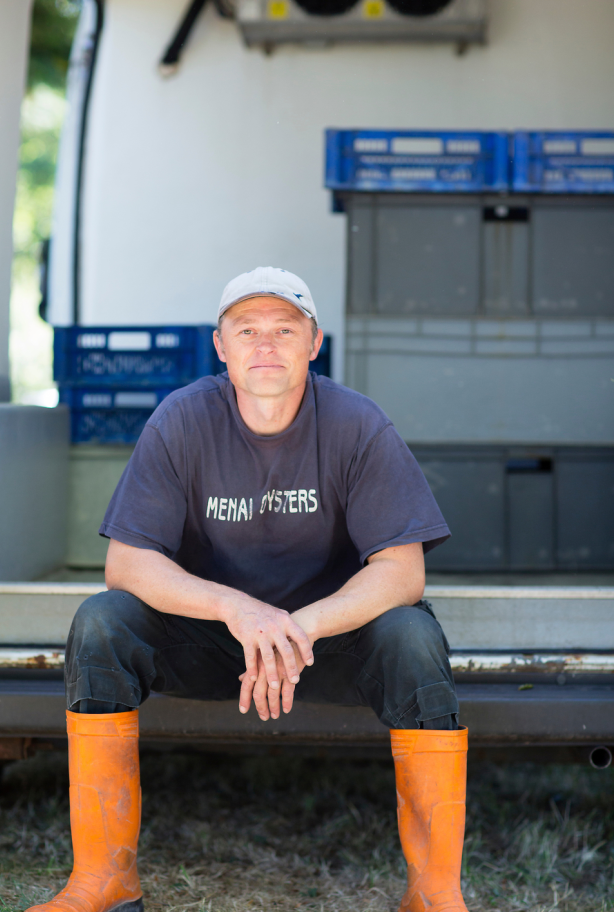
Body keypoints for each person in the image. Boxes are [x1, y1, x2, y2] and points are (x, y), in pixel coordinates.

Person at [28, 267, 469, 912]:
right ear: (220, 345)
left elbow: (403, 571)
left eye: (284, 329)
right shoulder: (182, 419)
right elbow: (127, 563)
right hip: (212, 640)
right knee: (103, 621)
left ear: (314, 343)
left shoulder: (358, 424)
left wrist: (298, 627)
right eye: (247, 330)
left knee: (412, 633)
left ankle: (434, 892)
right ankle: (105, 880)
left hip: (325, 643)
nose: (265, 344)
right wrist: (236, 608)